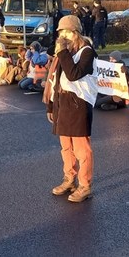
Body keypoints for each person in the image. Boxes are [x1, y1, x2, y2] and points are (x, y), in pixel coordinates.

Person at [45, 15, 98, 203]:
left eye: (67, 31)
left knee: (82, 149)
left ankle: (85, 185)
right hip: (63, 103)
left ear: (76, 32)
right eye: (61, 32)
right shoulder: (64, 52)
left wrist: (62, 53)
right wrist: (51, 106)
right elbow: (56, 80)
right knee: (66, 147)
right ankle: (69, 179)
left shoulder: (87, 51)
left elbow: (74, 74)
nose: (63, 35)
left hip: (79, 104)